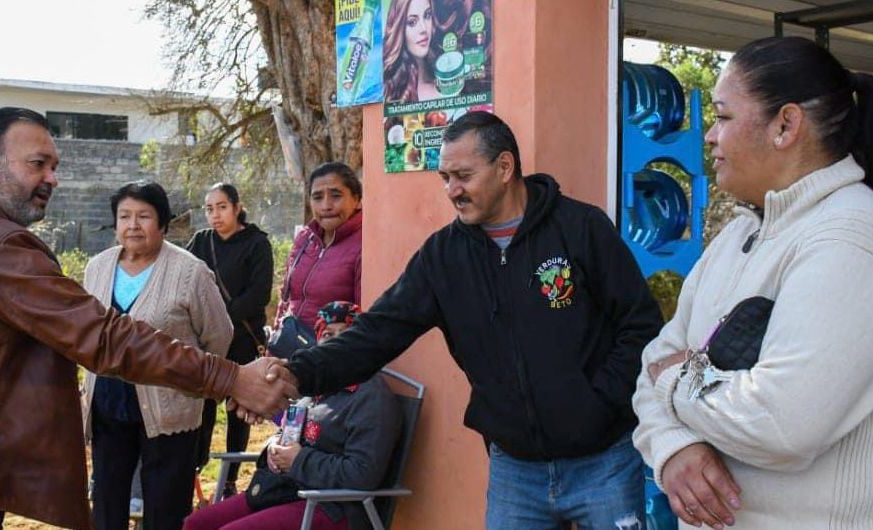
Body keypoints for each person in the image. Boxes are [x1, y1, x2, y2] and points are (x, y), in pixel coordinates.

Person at [0, 107, 296, 530]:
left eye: (54, 166)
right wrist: (231, 379)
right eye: (37, 164)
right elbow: (103, 336)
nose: (52, 178)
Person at [273, 111, 664, 529]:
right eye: (445, 178)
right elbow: (375, 334)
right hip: (515, 472)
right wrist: (295, 374)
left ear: (505, 167)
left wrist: (599, 404)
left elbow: (640, 327)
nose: (452, 190)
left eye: (463, 176)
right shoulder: (443, 257)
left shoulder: (581, 228)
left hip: (603, 462)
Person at [632, 36, 873, 530]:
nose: (709, 136)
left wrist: (676, 381)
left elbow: (783, 422)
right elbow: (652, 364)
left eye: (722, 117)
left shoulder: (848, 236)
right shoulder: (741, 231)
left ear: (785, 125)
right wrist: (675, 446)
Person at [83, 180, 234, 530]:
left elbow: (219, 335)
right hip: (108, 404)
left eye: (144, 216)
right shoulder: (97, 267)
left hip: (170, 409)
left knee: (166, 509)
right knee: (106, 503)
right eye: (124, 216)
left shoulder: (190, 271)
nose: (133, 225)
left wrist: (195, 383)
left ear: (163, 222)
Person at [185, 302, 402, 530]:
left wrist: (299, 460)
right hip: (286, 490)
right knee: (197, 524)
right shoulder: (315, 387)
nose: (337, 342)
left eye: (346, 334)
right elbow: (287, 431)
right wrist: (273, 447)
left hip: (332, 506)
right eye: (328, 335)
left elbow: (362, 474)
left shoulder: (371, 397)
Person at [188, 182, 274, 498]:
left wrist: (220, 317)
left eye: (222, 207)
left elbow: (259, 294)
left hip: (242, 341)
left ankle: (229, 480)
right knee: (202, 408)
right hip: (207, 343)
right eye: (209, 209)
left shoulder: (256, 243)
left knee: (238, 411)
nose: (215, 215)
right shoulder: (201, 242)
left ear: (237, 208)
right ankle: (194, 470)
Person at [272, 162, 363, 334]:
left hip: (331, 349)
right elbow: (286, 296)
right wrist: (276, 337)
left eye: (336, 196)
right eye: (317, 197)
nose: (326, 206)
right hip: (289, 344)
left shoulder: (365, 245)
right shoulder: (305, 238)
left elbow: (365, 320)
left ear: (357, 200)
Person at [383, 0, 441, 103]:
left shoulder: (444, 73)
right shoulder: (389, 90)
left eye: (427, 15)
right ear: (399, 29)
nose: (423, 28)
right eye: (412, 22)